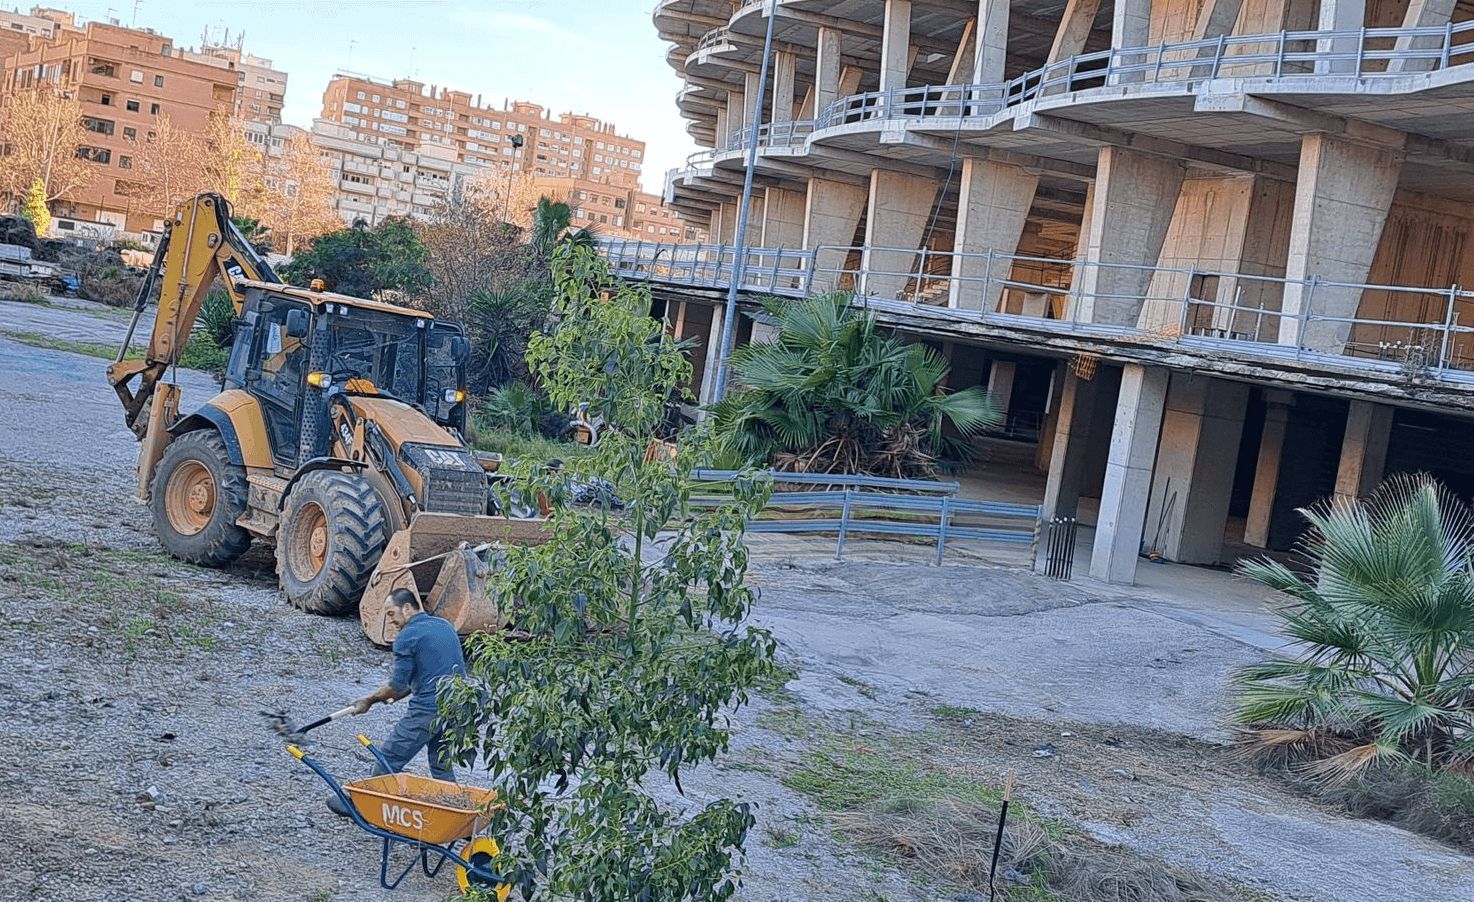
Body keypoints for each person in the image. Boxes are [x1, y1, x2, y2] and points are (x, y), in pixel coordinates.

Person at [327, 588, 467, 816]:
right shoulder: (444, 626)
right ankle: (457, 812)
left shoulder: (407, 637)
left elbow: (396, 685)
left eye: (392, 614)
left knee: (390, 756)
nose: (391, 620)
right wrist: (391, 697)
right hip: (459, 706)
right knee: (441, 762)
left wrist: (369, 700)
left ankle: (361, 807)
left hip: (428, 708)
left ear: (408, 608)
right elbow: (417, 681)